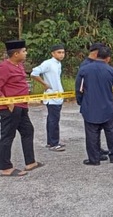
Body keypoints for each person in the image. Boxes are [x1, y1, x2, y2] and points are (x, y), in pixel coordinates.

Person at [75, 47, 113, 165]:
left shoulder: (84, 69)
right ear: (108, 58)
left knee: (92, 134)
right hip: (107, 107)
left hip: (90, 106)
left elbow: (79, 88)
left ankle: (94, 159)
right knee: (111, 132)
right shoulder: (112, 71)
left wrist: (80, 102)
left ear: (96, 55)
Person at [0, 39, 43, 177]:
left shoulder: (19, 65)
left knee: (28, 130)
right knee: (7, 136)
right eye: (24, 51)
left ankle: (30, 162)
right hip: (10, 107)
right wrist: (7, 102)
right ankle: (5, 167)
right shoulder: (4, 67)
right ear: (16, 54)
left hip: (22, 105)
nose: (26, 53)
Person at [30, 44, 66, 152]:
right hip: (52, 95)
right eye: (59, 52)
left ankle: (52, 141)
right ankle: (53, 143)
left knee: (54, 119)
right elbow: (34, 73)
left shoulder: (58, 64)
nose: (61, 55)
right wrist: (44, 84)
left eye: (63, 52)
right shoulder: (48, 63)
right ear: (53, 53)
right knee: (53, 119)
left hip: (58, 94)